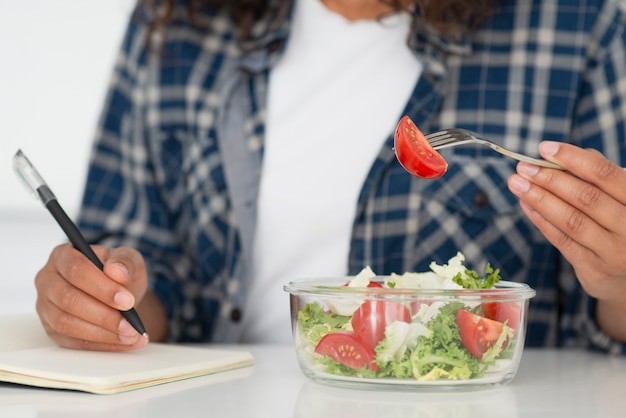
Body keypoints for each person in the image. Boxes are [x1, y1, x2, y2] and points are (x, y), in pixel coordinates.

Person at [33, 0, 626, 353]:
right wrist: (104, 303)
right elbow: (145, 293)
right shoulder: (178, 20)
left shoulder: (580, 27)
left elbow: (600, 335)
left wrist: (620, 277)